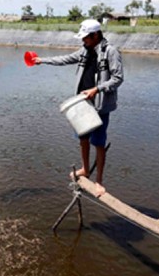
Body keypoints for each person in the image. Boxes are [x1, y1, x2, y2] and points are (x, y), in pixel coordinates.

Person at [33, 19, 123, 194]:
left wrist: (97, 89)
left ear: (95, 35)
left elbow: (118, 78)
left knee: (98, 142)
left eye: (86, 38)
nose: (83, 41)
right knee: (82, 138)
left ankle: (99, 181)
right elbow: (65, 59)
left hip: (100, 104)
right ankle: (85, 169)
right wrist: (42, 60)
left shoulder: (111, 52)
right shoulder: (85, 51)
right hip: (81, 103)